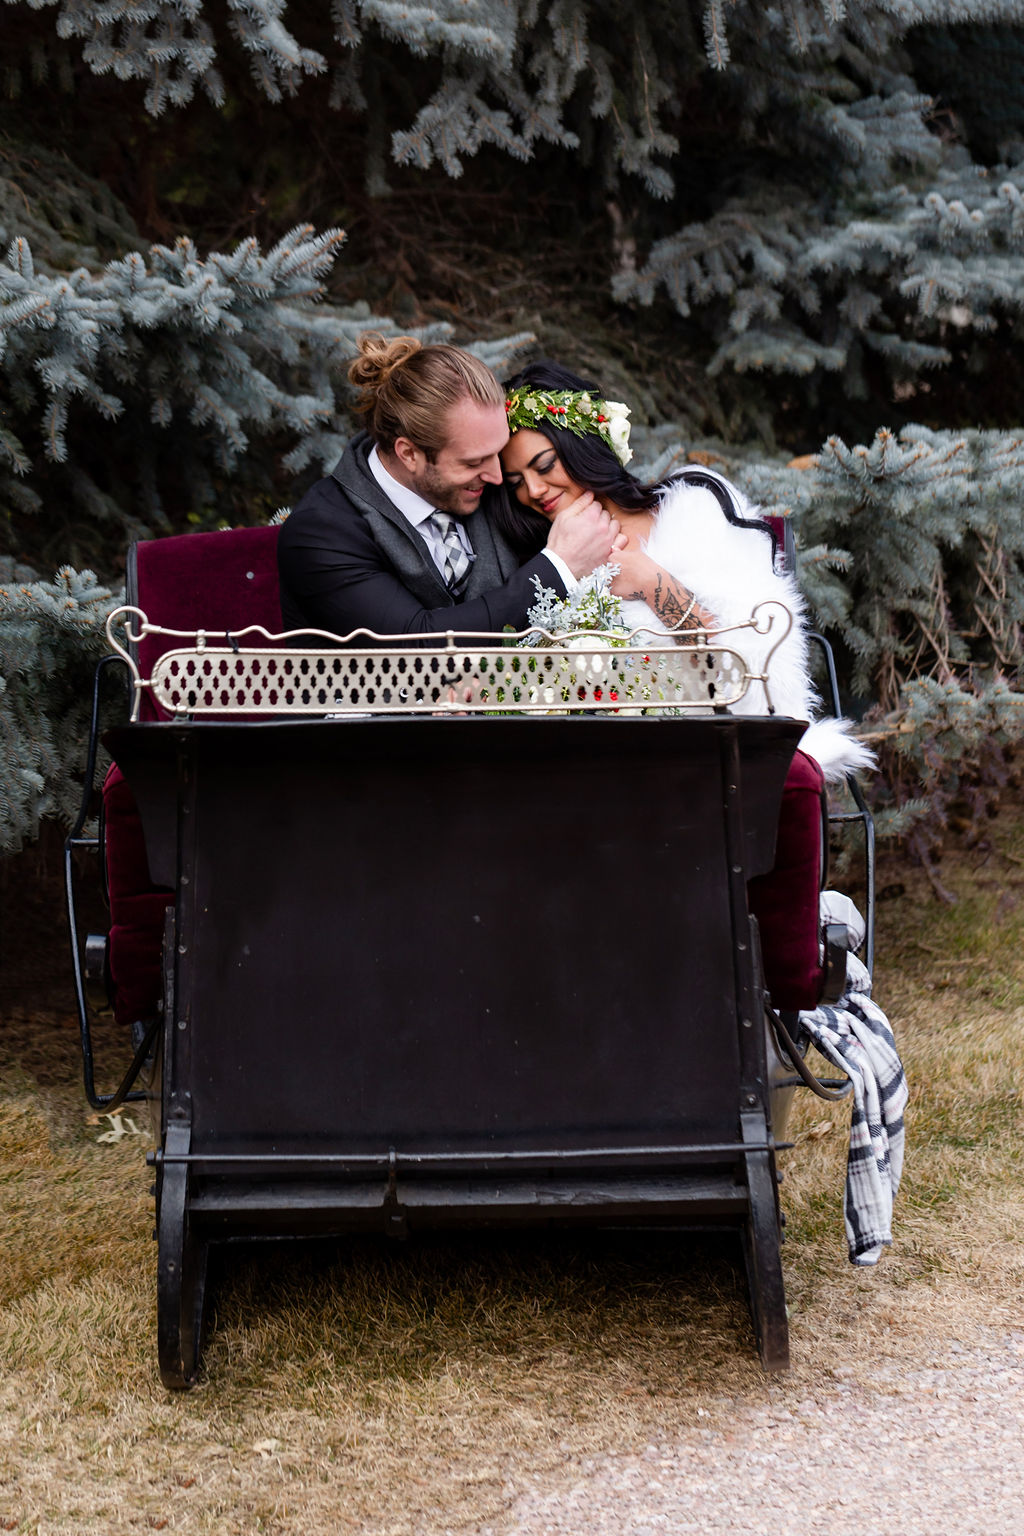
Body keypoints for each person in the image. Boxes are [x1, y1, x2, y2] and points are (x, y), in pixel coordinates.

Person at [498, 359, 874, 782]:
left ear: (578, 445)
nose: (533, 490)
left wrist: (647, 579)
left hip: (722, 746)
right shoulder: (541, 565)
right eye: (515, 483)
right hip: (603, 763)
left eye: (544, 466)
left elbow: (742, 671)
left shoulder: (694, 508)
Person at [277, 334, 622, 640]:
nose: (498, 478)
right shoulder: (321, 533)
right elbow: (417, 645)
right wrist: (559, 567)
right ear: (409, 453)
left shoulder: (496, 482)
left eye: (496, 454)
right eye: (473, 463)